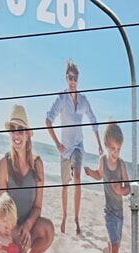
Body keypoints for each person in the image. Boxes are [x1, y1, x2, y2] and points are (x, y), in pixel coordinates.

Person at [0, 104, 54, 253]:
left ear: (28, 134)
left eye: (20, 129)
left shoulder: (38, 164)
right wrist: (15, 230)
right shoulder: (4, 163)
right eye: (13, 129)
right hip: (8, 226)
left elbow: (38, 207)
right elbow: (1, 208)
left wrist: (27, 226)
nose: (16, 134)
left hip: (27, 224)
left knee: (48, 229)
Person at [45, 60, 103, 234]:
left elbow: (93, 120)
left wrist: (99, 144)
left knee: (77, 178)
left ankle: (77, 220)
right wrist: (57, 143)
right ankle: (64, 217)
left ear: (78, 79)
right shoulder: (61, 99)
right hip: (65, 149)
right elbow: (48, 120)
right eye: (70, 78)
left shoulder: (83, 101)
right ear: (66, 78)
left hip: (78, 146)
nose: (73, 81)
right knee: (65, 186)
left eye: (75, 78)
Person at [83, 121, 132, 253]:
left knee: (114, 242)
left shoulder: (121, 165)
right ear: (106, 145)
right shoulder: (103, 161)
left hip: (120, 213)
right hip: (109, 212)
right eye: (112, 148)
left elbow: (128, 188)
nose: (115, 152)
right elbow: (100, 174)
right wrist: (91, 173)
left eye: (118, 149)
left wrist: (120, 190)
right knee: (115, 246)